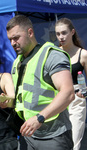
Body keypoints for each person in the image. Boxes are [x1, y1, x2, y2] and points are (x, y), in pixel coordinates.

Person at [6, 14, 75, 150]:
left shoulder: (51, 55)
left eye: (16, 38)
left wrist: (39, 118)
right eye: (10, 39)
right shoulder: (17, 62)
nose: (13, 43)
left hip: (54, 135)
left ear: (30, 32)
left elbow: (68, 93)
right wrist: (6, 101)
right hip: (28, 134)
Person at [55, 18, 87, 150]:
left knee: (74, 142)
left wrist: (83, 92)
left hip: (76, 100)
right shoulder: (55, 53)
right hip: (58, 99)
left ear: (72, 32)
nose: (61, 37)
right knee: (60, 141)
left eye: (64, 33)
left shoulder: (83, 54)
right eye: (58, 34)